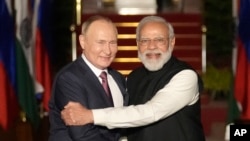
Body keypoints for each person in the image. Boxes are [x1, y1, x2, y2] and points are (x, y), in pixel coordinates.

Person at [61, 15, 205, 141]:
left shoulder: (186, 76)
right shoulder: (132, 78)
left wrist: (91, 115)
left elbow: (151, 112)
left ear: (171, 42)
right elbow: (126, 122)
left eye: (159, 40)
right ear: (137, 45)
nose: (152, 46)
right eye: (145, 40)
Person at [48, 15, 129, 141]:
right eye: (100, 42)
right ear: (83, 42)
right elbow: (82, 135)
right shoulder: (69, 78)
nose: (108, 51)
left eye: (112, 43)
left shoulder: (117, 78)